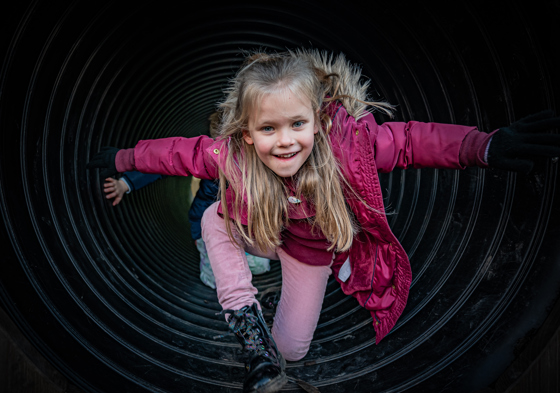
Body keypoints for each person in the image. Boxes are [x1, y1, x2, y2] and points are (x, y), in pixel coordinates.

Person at [87, 49, 560, 393]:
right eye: (268, 129)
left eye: (296, 124)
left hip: (308, 253)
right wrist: (124, 159)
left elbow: (414, 141)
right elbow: (178, 153)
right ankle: (248, 328)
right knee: (214, 214)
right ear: (248, 136)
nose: (286, 141)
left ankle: (271, 359)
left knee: (291, 351)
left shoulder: (351, 145)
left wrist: (484, 146)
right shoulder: (230, 155)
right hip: (264, 232)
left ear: (316, 119)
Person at [101, 113, 271, 290]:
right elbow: (164, 163)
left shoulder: (258, 165)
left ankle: (239, 268)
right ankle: (216, 277)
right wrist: (126, 183)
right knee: (214, 277)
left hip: (246, 228)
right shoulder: (210, 159)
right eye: (220, 145)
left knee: (259, 266)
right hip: (207, 228)